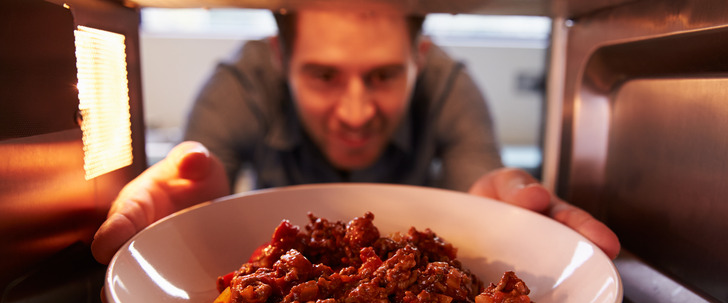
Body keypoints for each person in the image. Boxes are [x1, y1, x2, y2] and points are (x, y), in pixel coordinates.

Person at [91, 7, 620, 266]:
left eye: (384, 76)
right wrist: (191, 222)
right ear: (280, 58)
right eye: (324, 76)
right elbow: (198, 186)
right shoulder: (239, 85)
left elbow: (479, 184)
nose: (355, 112)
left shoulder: (450, 87)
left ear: (419, 59)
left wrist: (506, 218)